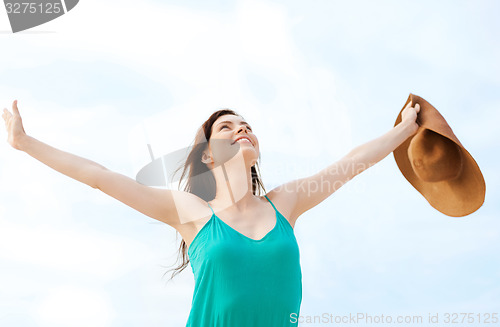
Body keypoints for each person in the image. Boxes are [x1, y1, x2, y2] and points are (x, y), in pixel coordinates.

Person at [2, 99, 420, 326]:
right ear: (207, 157)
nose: (242, 128)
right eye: (227, 127)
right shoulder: (192, 213)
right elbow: (99, 176)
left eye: (246, 124)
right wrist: (25, 143)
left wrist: (404, 129)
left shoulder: (286, 203)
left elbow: (350, 164)